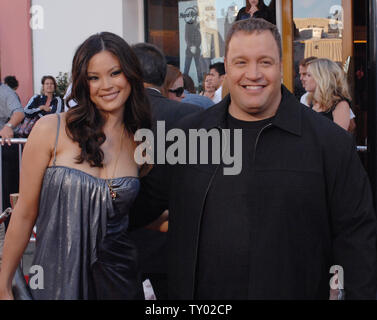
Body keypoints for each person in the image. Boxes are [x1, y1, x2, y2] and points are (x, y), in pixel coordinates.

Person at [131, 18, 377, 299]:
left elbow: (357, 239)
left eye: (265, 62)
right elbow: (136, 207)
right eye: (241, 62)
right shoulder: (187, 137)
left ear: (280, 65)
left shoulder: (329, 143)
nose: (253, 73)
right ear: (226, 66)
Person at [0, 31, 154, 300]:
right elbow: (24, 213)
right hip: (55, 280)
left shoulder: (141, 142)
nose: (106, 85)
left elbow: (135, 212)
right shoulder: (52, 129)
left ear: (131, 74)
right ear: (83, 83)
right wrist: (3, 286)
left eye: (115, 72)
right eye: (94, 77)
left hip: (119, 283)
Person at [129, 42, 201, 300]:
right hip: (183, 248)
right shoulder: (194, 116)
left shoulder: (115, 117)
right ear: (162, 77)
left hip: (128, 247)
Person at [304, 58, 352, 131]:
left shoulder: (340, 104)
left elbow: (339, 138)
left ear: (322, 77)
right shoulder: (312, 102)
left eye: (308, 75)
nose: (304, 79)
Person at [0, 76, 25, 212]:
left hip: (6, 146)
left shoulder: (5, 92)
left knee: (7, 192)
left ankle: (11, 229)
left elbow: (19, 113)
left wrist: (8, 126)